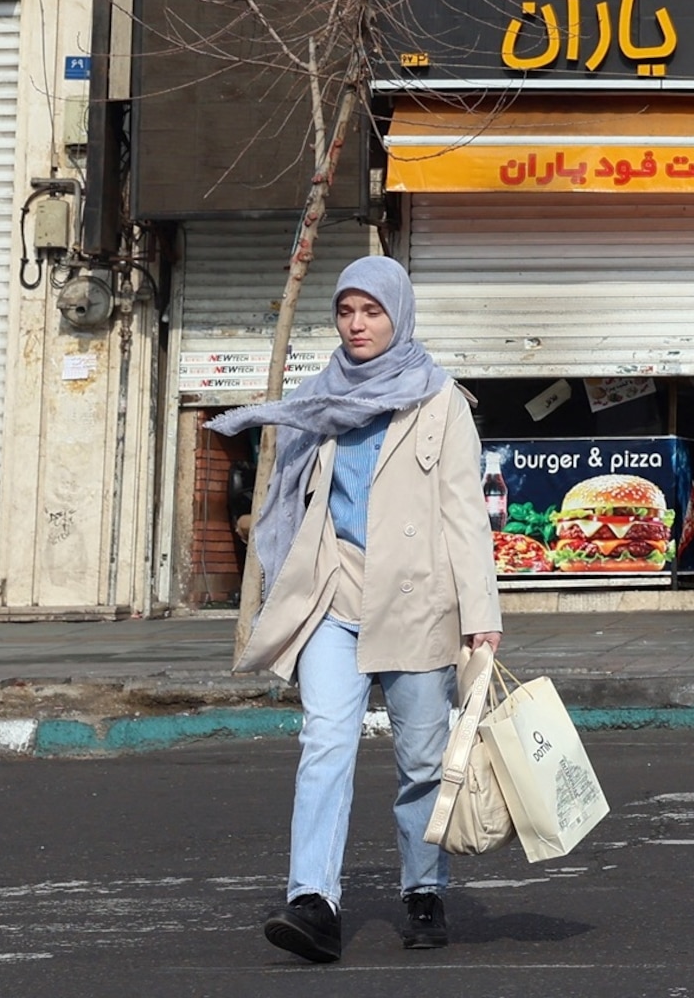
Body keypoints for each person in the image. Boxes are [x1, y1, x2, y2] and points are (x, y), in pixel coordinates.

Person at [211, 255, 503, 963]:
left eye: (371, 310)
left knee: (424, 761)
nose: (357, 323)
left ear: (397, 314)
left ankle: (424, 888)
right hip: (334, 596)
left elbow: (465, 516)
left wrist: (480, 612)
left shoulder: (440, 402)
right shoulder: (319, 397)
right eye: (346, 311)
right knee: (325, 745)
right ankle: (313, 901)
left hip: (418, 601)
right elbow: (289, 497)